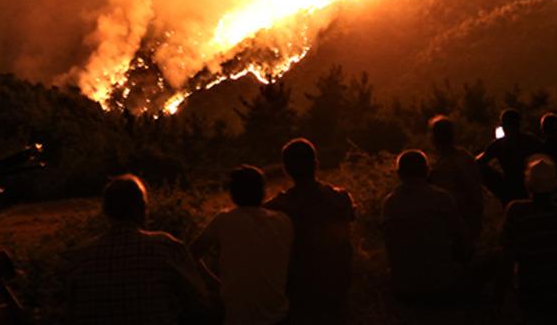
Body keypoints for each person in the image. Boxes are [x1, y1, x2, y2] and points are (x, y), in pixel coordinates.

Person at [68, 174, 217, 325]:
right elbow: (200, 305)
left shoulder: (82, 256)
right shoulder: (165, 247)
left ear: (106, 211)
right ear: (141, 208)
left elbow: (71, 313)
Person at [381, 150, 506, 303]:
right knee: (501, 255)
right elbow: (464, 245)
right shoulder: (441, 198)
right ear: (426, 171)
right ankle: (496, 307)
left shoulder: (389, 204)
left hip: (403, 290)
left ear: (399, 173)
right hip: (442, 286)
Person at [264, 138, 355, 324]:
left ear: (286, 170)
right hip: (338, 282)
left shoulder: (276, 207)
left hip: (300, 288)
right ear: (316, 165)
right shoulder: (341, 198)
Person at [191, 166, 293, 325]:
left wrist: (217, 284)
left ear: (233, 193)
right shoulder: (283, 221)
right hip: (278, 316)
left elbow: (192, 254)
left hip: (238, 317)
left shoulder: (224, 221)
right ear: (262, 191)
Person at [499, 157, 557, 323]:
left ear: (528, 184)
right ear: (554, 186)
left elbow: (507, 250)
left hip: (531, 289)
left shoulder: (516, 211)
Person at [427, 116, 484, 239]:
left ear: (435, 137)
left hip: (456, 226)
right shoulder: (465, 157)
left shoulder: (445, 165)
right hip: (467, 223)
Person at [476, 109, 543, 205]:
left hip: (508, 188)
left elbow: (478, 162)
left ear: (504, 126)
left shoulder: (498, 144)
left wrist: (495, 179)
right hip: (531, 189)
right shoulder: (530, 140)